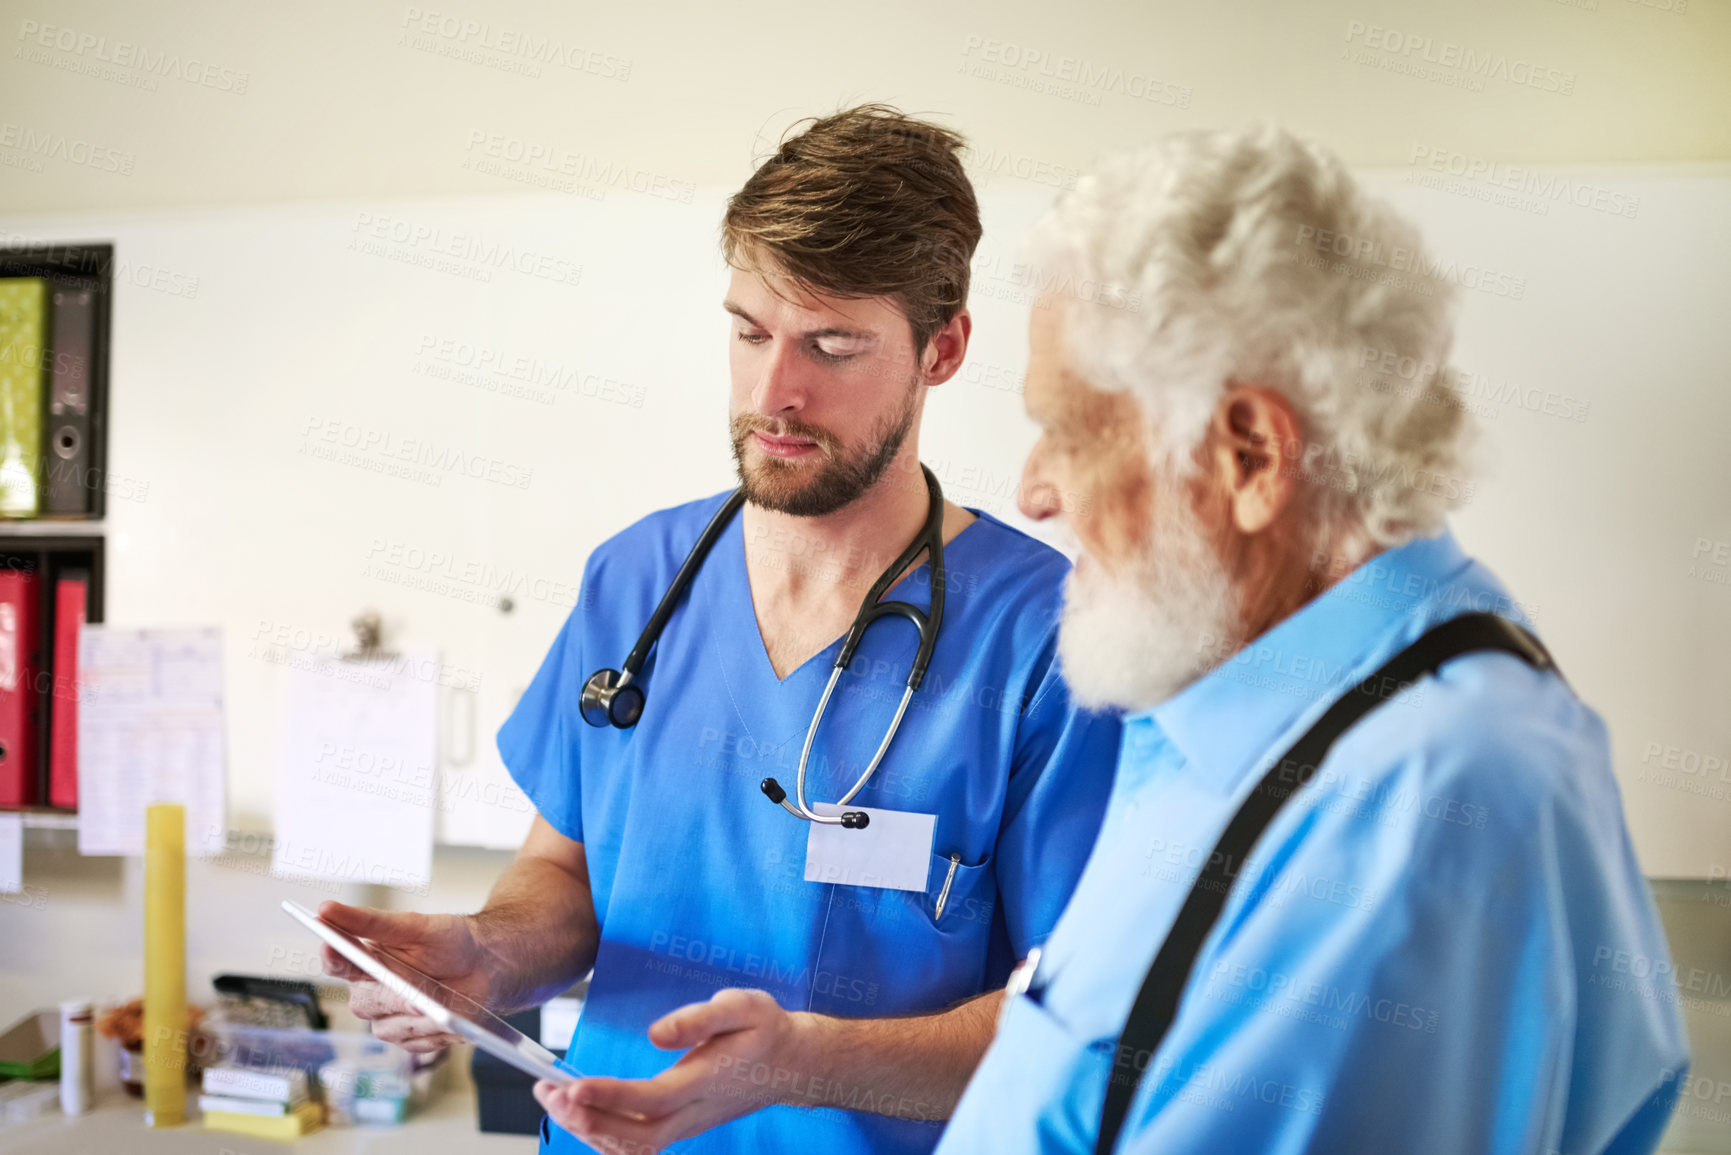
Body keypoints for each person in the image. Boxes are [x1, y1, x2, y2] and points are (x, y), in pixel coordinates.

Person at [320, 104, 1121, 1154]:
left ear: (945, 348)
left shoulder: (1048, 642)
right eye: (750, 333)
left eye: (832, 345)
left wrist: (799, 1062)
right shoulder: (637, 579)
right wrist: (488, 954)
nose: (774, 393)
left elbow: (1076, 1028)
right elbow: (563, 875)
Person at [935, 124, 1689, 1154]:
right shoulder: (1235, 721)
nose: (1033, 489)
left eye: (1068, 428)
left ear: (1249, 454)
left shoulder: (1428, 802)